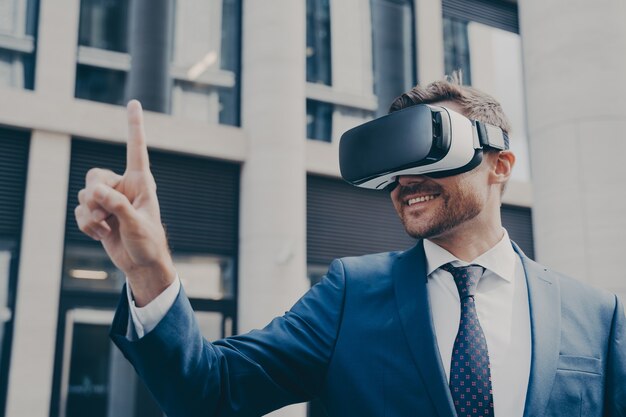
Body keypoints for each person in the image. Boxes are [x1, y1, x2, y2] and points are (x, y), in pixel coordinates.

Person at [75, 78, 626, 417]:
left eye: (429, 152)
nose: (404, 180)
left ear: (500, 164)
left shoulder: (596, 316)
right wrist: (150, 270)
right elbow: (205, 395)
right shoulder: (350, 294)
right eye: (393, 166)